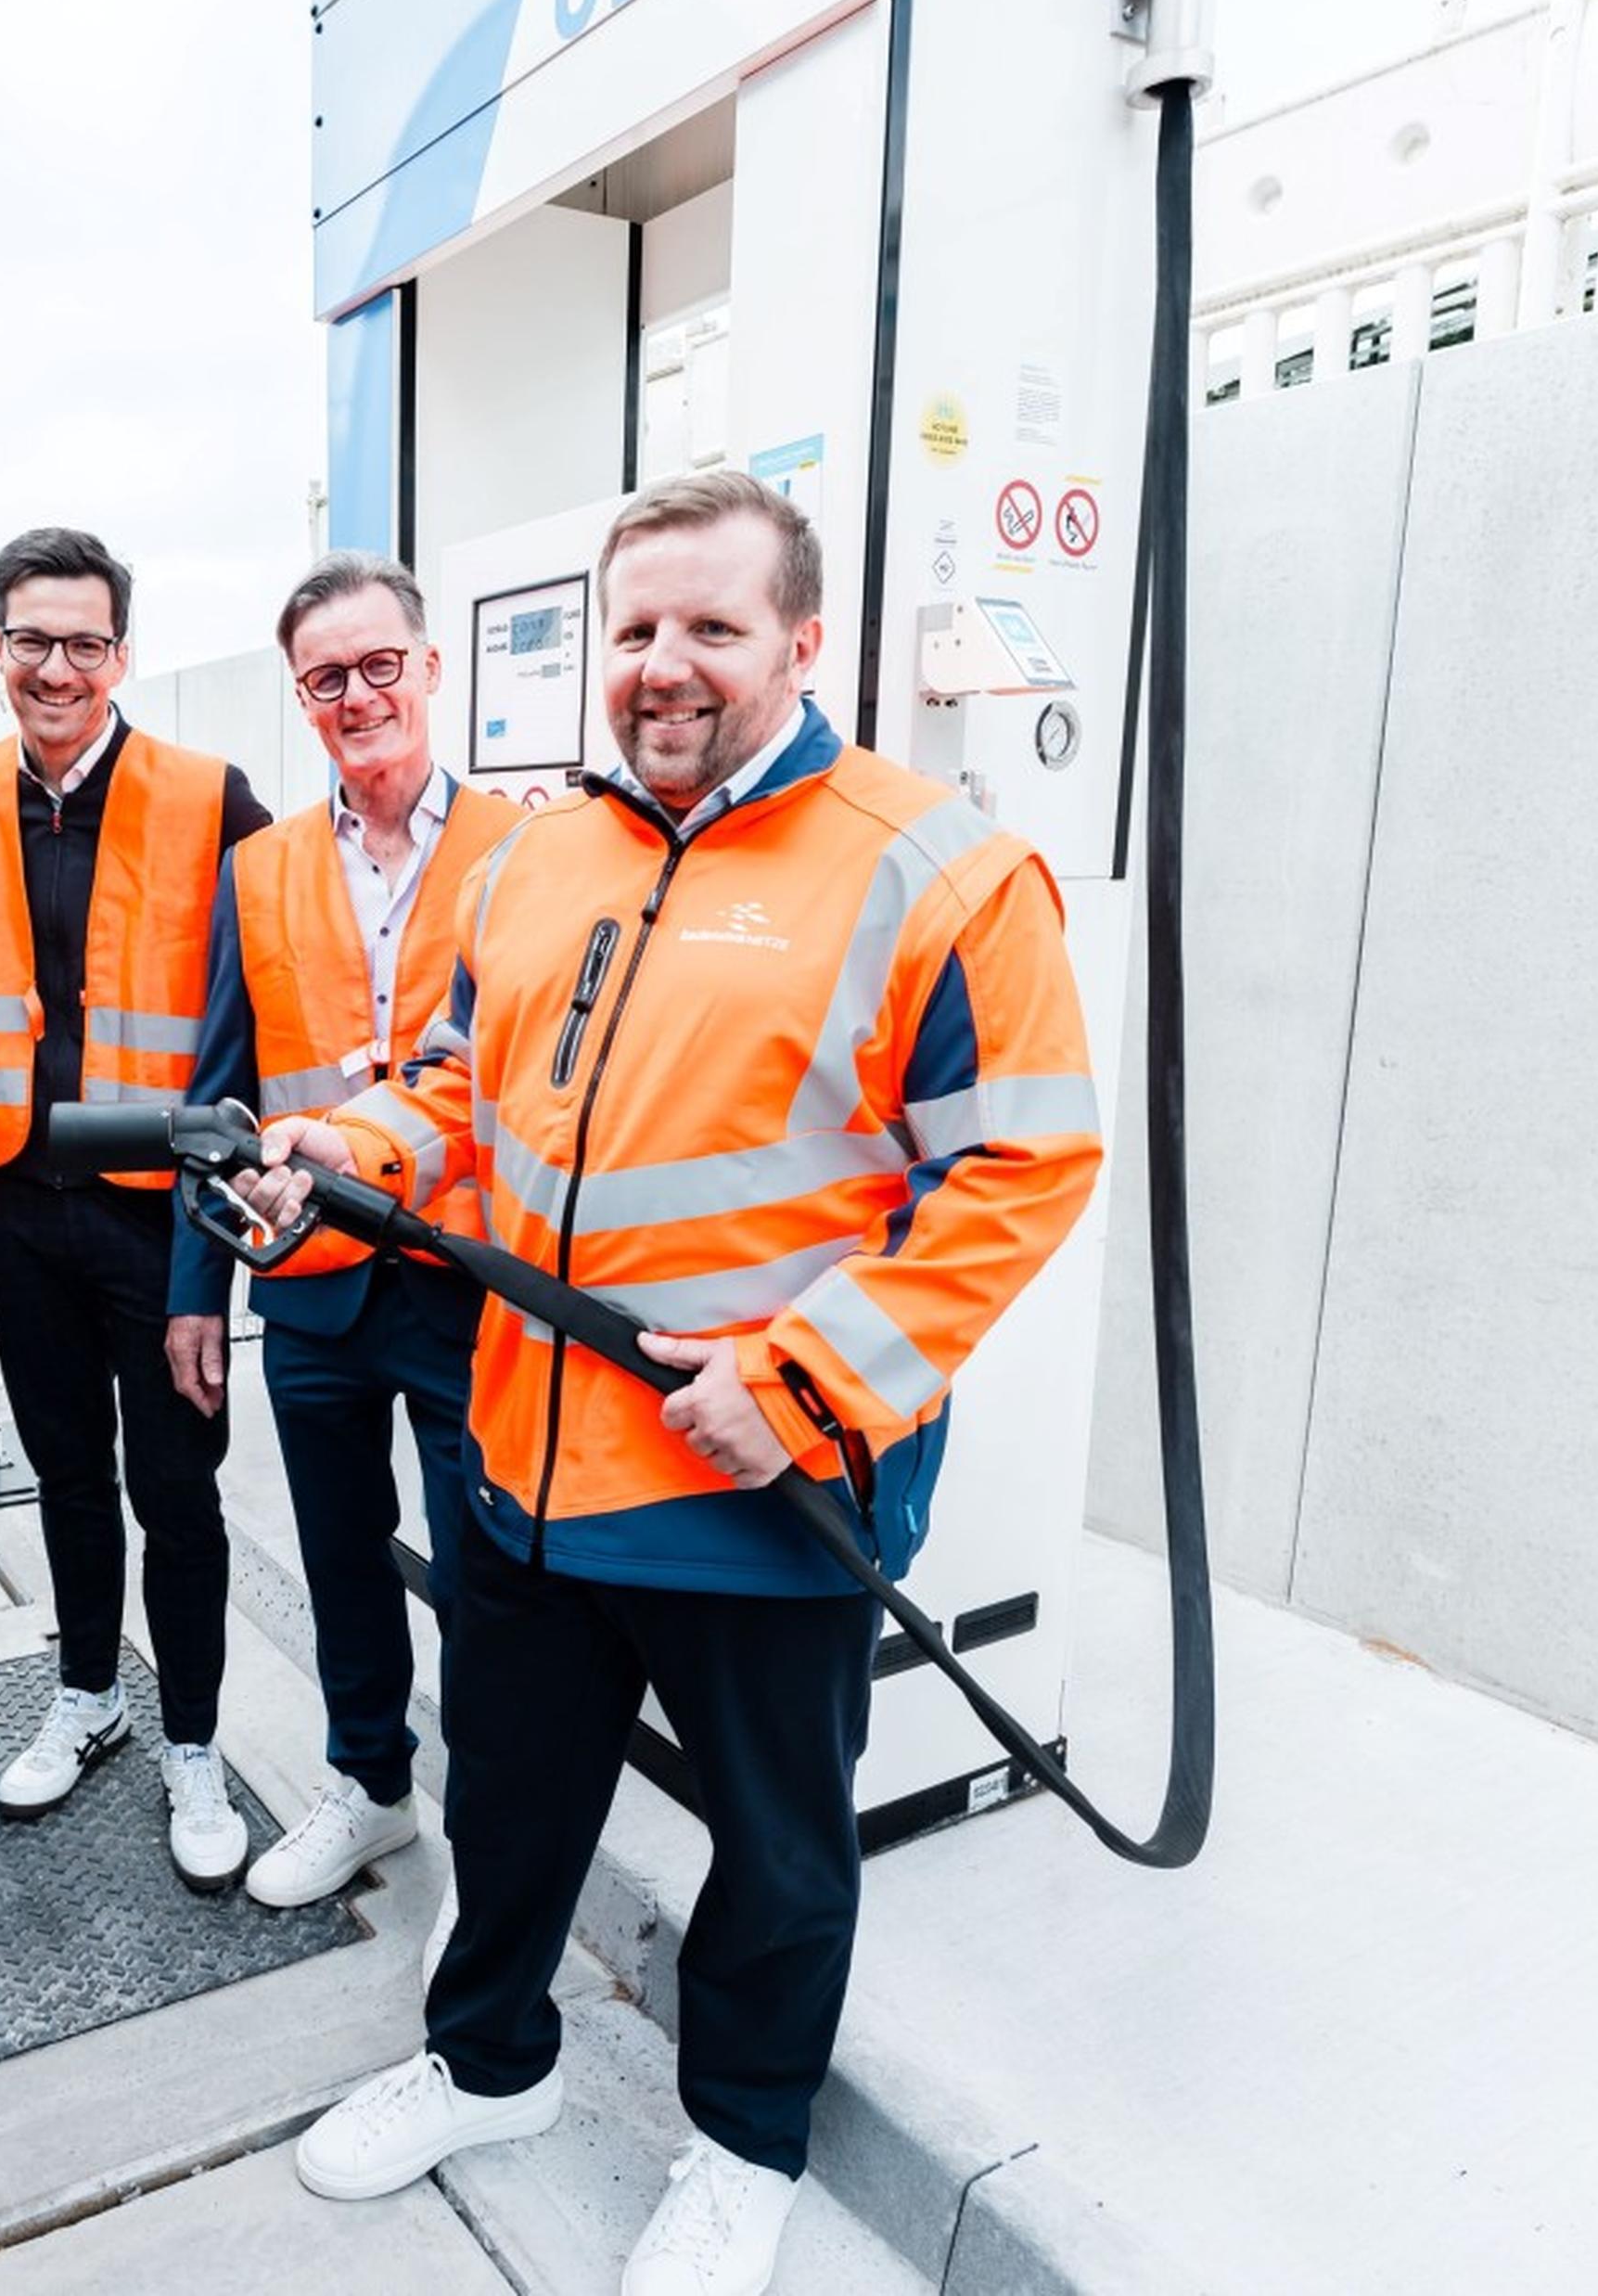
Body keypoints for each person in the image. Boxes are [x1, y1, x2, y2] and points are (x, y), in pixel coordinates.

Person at [247, 473, 1105, 2294]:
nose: (663, 662)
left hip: (760, 1491)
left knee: (777, 1859)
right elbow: (465, 1087)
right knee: (509, 1808)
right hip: (524, 1465)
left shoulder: (937, 868)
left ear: (803, 641)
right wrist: (348, 1155)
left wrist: (809, 1376)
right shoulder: (537, 857)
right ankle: (491, 2067)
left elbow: (1024, 1166)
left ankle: (744, 2147)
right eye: (635, 627)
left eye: (713, 624)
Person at [165, 551, 518, 1909]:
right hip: (309, 1282)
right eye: (327, 679)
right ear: (300, 696)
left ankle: (492, 1841)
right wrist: (198, 1292)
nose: (358, 697)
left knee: (488, 1582)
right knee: (342, 1558)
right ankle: (371, 1787)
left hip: (467, 1283)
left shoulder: (529, 852)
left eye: (380, 666)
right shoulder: (258, 870)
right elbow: (217, 1092)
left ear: (429, 667)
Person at [0, 526, 273, 1890]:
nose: (57, 668)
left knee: (175, 1492)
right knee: (67, 1475)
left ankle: (193, 1738)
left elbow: (257, 1023)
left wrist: (211, 1265)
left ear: (122, 655)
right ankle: (90, 1693)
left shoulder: (211, 797)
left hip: (161, 1222)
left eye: (85, 643)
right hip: (20, 1207)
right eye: (32, 640)